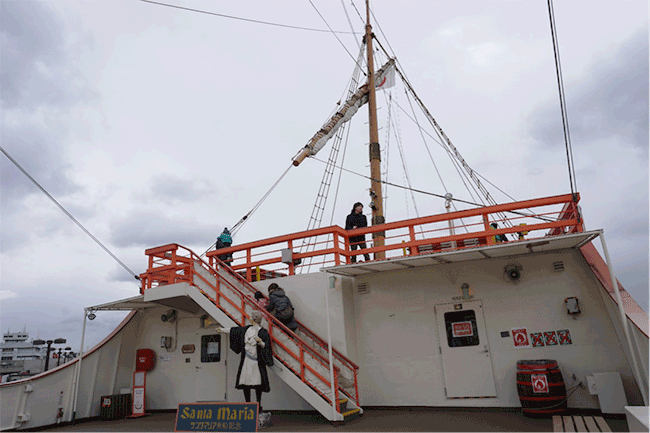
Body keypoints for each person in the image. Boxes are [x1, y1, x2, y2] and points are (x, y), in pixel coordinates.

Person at [216, 311, 273, 411]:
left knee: (257, 384)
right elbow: (234, 330)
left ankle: (258, 405)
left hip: (256, 362)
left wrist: (260, 342)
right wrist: (222, 330)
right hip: (246, 360)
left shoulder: (263, 332)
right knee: (245, 383)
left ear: (254, 318)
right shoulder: (246, 329)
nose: (250, 318)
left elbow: (266, 346)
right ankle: (248, 404)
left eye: (252, 317)